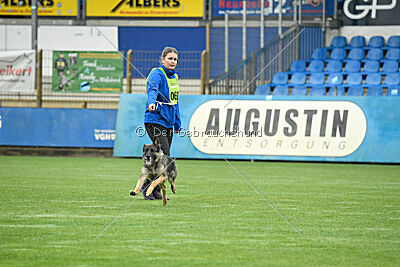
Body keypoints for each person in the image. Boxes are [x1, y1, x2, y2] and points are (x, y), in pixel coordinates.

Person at [141, 46, 181, 200]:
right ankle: (146, 188)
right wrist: (151, 102)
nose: (173, 61)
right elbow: (152, 89)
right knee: (163, 155)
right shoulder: (157, 73)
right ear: (163, 59)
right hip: (154, 119)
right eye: (170, 58)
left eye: (175, 59)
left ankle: (155, 189)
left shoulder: (174, 77)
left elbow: (175, 102)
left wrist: (177, 123)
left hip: (168, 121)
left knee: (164, 156)